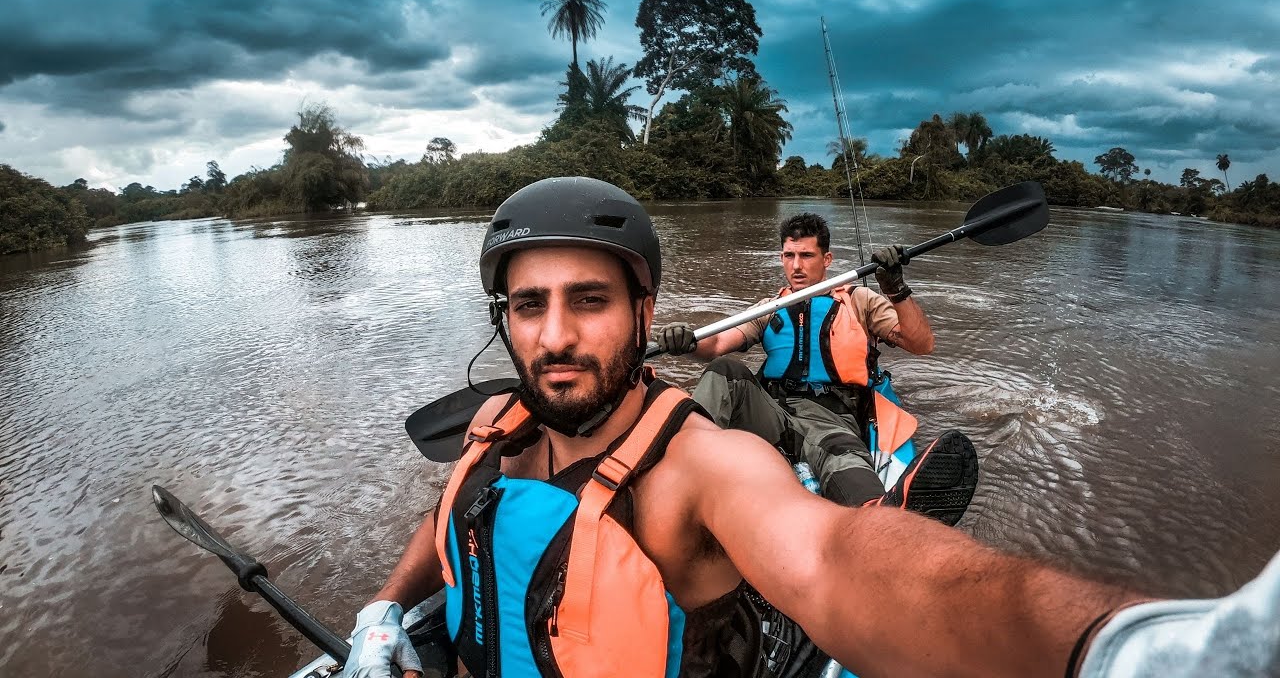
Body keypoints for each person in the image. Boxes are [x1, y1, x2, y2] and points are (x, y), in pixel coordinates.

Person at [342, 177, 1280, 678]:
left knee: (822, 449)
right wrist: (383, 611)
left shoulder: (824, 334)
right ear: (503, 319)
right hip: (771, 401)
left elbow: (835, 560)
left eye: (590, 300)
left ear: (635, 305)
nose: (554, 336)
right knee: (721, 382)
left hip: (829, 417)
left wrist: (1104, 648)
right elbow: (729, 347)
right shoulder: (500, 426)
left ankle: (879, 497)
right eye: (529, 305)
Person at [654, 213, 938, 507]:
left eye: (806, 255)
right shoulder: (769, 308)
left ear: (827, 259)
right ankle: (681, 469)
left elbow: (921, 344)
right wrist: (688, 342)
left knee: (855, 483)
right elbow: (716, 345)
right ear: (781, 257)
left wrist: (896, 289)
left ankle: (878, 513)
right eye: (789, 256)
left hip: (833, 421)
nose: (796, 265)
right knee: (724, 371)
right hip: (774, 415)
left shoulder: (859, 300)